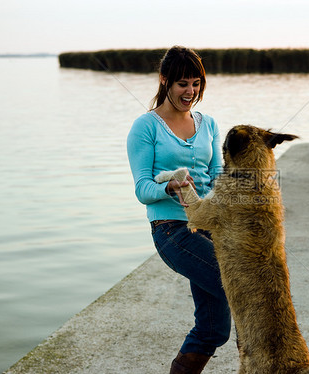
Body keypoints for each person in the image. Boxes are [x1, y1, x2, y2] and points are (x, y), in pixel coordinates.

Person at [126, 46, 231, 374]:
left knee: (214, 329)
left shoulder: (208, 123)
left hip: (210, 226)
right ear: (165, 81)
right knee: (237, 282)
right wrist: (170, 186)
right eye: (183, 84)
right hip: (172, 230)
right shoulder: (146, 127)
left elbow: (217, 177)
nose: (191, 92)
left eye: (196, 83)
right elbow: (143, 189)